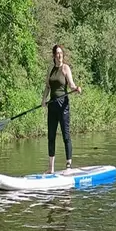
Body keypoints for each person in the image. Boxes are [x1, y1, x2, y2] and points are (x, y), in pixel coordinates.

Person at [41, 44, 82, 173]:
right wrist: (43, 99)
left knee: (66, 135)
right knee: (51, 136)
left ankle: (68, 165)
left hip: (63, 106)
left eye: (61, 53)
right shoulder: (50, 69)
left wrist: (76, 89)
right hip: (52, 106)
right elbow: (47, 86)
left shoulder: (65, 68)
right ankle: (51, 168)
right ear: (54, 56)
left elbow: (71, 84)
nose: (59, 55)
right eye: (57, 53)